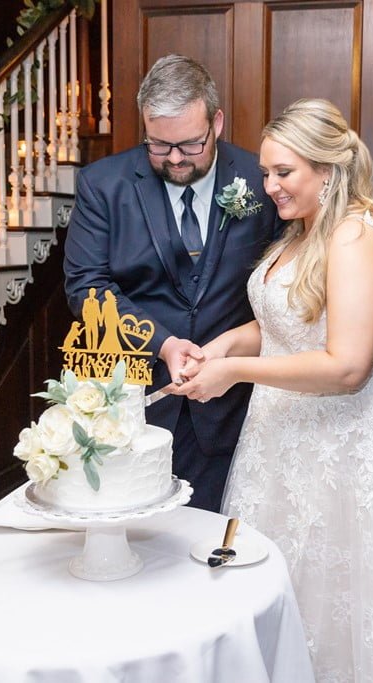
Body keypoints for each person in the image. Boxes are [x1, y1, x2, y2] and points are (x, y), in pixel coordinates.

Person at [173, 99, 373, 681]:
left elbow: (347, 367)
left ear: (328, 169)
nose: (268, 186)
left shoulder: (355, 237)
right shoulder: (302, 234)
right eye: (266, 173)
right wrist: (223, 347)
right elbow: (284, 323)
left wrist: (237, 374)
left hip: (349, 449)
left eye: (283, 172)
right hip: (285, 446)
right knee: (287, 594)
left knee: (352, 611)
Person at [63, 54, 283, 512]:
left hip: (234, 405)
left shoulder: (261, 183)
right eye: (159, 146)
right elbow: (86, 288)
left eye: (189, 144)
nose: (176, 159)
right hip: (136, 404)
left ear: (216, 122)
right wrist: (163, 344)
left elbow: (287, 287)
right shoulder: (103, 185)